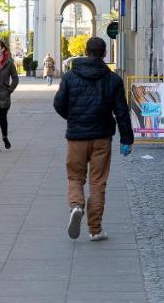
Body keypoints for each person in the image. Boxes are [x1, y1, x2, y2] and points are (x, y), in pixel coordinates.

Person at [52, 36, 133, 241]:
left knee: (75, 177)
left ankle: (77, 206)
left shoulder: (70, 76)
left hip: (77, 137)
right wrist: (126, 139)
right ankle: (95, 229)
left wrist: (73, 118)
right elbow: (121, 111)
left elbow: (59, 104)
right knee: (98, 183)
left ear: (86, 52)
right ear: (104, 54)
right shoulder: (113, 79)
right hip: (102, 137)